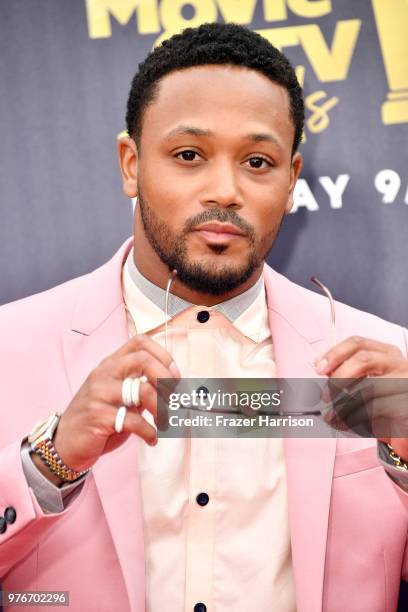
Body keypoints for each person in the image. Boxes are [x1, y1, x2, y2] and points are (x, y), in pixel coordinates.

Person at [0, 22, 407, 612]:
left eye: (257, 162)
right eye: (189, 155)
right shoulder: (11, 347)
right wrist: (50, 462)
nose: (225, 190)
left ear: (291, 181)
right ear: (131, 164)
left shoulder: (378, 357)